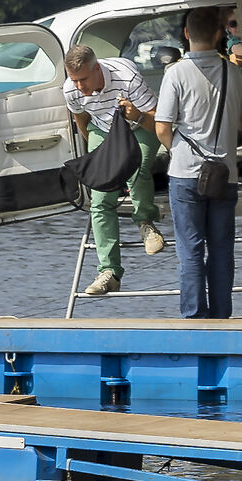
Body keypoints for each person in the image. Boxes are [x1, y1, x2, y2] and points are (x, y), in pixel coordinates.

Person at [153, 4, 242, 319]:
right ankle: (223, 315)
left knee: (191, 250)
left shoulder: (175, 74)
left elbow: (162, 127)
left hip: (185, 174)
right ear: (218, 33)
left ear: (185, 34)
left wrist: (179, 152)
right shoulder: (233, 72)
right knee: (222, 250)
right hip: (225, 174)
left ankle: (195, 317)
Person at [62, 45, 164, 297]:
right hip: (102, 129)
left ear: (97, 68)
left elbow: (157, 122)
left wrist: (137, 116)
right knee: (99, 196)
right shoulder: (70, 90)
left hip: (141, 124)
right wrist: (102, 158)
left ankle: (145, 221)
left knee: (136, 167)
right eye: (74, 80)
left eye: (83, 79)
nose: (79, 87)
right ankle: (109, 272)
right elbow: (81, 120)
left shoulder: (127, 77)